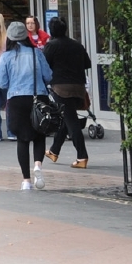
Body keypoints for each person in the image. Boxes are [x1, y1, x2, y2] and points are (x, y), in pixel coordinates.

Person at [0, 22, 52, 190]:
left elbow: (2, 82)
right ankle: (38, 166)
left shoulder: (6, 57)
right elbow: (48, 76)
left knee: (22, 139)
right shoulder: (37, 53)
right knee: (39, 134)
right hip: (39, 97)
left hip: (17, 99)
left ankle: (26, 181)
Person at [41, 17, 91, 167]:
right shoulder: (77, 45)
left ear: (51, 30)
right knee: (67, 118)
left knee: (72, 122)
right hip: (79, 87)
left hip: (61, 88)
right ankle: (54, 151)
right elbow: (87, 63)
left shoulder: (51, 46)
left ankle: (82, 157)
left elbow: (44, 66)